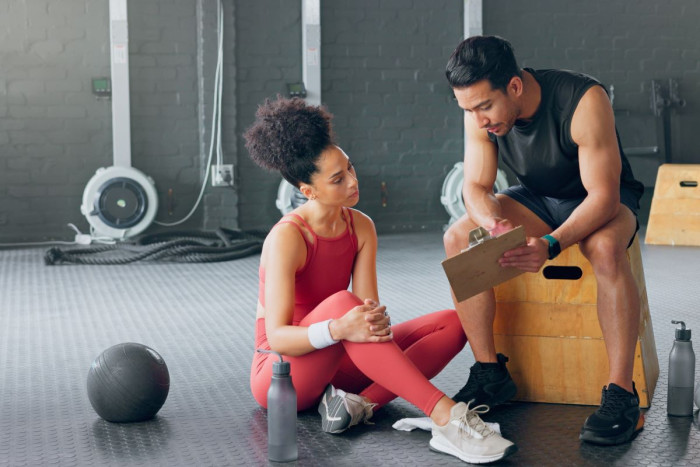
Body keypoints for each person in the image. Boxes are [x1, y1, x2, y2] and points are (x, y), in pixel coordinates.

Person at [246, 96, 517, 463]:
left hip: (338, 360)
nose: (354, 182)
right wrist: (340, 327)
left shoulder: (361, 227)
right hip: (282, 375)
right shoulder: (288, 237)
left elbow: (367, 310)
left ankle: (359, 406)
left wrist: (366, 322)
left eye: (350, 168)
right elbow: (278, 336)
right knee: (344, 306)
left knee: (453, 324)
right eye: (338, 179)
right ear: (308, 191)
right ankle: (446, 418)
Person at [442, 36, 646, 446]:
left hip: (600, 197)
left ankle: (622, 392)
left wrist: (552, 244)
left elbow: (603, 197)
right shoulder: (477, 111)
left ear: (514, 87)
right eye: (468, 109)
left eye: (484, 107)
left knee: (603, 248)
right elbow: (477, 186)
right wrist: (493, 224)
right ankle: (489, 373)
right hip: (537, 199)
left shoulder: (584, 99)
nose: (479, 119)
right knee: (459, 235)